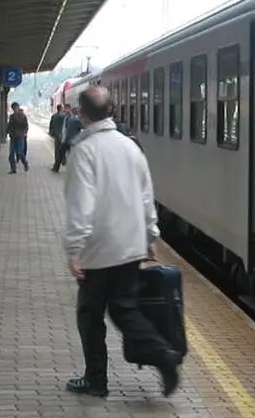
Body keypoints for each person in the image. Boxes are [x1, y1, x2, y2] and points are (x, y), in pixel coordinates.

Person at [62, 85, 182, 398]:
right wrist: (149, 235)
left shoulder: (83, 151)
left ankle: (97, 381)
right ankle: (162, 356)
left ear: (82, 114)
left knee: (89, 314)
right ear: (113, 111)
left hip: (99, 249)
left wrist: (74, 251)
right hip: (130, 246)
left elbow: (80, 206)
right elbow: (146, 196)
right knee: (125, 310)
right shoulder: (131, 148)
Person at [51, 106, 82, 173]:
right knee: (73, 156)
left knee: (60, 154)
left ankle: (56, 168)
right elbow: (81, 130)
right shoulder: (79, 121)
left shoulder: (68, 119)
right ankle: (74, 170)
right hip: (74, 141)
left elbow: (65, 129)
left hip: (66, 140)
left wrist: (63, 139)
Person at [5, 102, 30, 173]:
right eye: (13, 108)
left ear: (18, 108)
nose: (14, 109)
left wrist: (25, 132)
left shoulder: (23, 116)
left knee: (19, 152)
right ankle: (13, 169)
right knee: (11, 154)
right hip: (13, 137)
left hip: (20, 137)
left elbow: (26, 126)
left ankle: (25, 163)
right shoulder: (12, 116)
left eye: (15, 108)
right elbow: (9, 125)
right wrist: (7, 132)